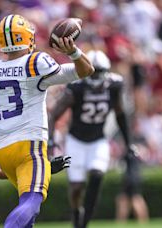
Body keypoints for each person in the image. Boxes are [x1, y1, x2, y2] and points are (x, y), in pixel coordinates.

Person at [0, 14, 94, 228]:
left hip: (2, 151)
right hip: (29, 147)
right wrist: (72, 51)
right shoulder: (36, 62)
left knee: (27, 218)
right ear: (27, 38)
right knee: (32, 201)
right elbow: (86, 71)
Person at [48, 50, 137, 228]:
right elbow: (54, 114)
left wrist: (129, 143)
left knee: (96, 176)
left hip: (98, 140)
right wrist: (50, 140)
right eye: (93, 71)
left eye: (99, 71)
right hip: (75, 141)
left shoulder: (114, 85)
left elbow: (121, 115)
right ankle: (76, 213)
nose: (96, 76)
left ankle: (84, 223)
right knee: (76, 188)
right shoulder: (76, 87)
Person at [116, 146, 148, 223]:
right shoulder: (137, 156)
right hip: (136, 179)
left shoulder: (128, 154)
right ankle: (144, 222)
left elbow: (120, 163)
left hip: (130, 179)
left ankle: (121, 222)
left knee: (129, 200)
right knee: (136, 199)